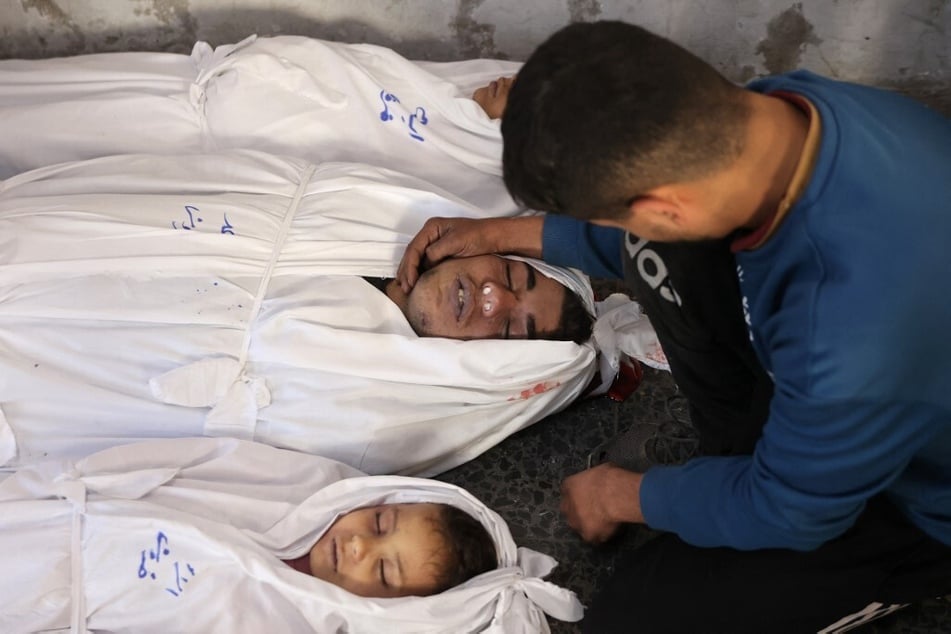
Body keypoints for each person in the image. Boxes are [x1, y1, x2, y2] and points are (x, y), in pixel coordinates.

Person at [397, 19, 951, 633]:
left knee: (633, 619)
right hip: (851, 383)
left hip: (914, 496)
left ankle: (895, 575)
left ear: (664, 207)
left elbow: (790, 510)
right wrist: (496, 236)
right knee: (666, 260)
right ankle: (739, 458)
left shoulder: (848, 334)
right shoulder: (772, 116)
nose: (496, 296)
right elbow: (642, 233)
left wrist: (624, 494)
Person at [0, 150, 609, 476]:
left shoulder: (362, 408)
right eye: (511, 275)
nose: (493, 299)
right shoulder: (364, 218)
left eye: (510, 327)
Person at [0, 437, 584, 632]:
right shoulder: (305, 486)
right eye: (380, 524)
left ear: (393, 615)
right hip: (46, 518)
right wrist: (66, 486)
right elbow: (203, 459)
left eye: (383, 572)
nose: (357, 546)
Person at [0, 34, 523, 216]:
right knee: (43, 91)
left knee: (40, 137)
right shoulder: (459, 96)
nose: (509, 81)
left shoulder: (462, 156)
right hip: (185, 84)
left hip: (177, 135)